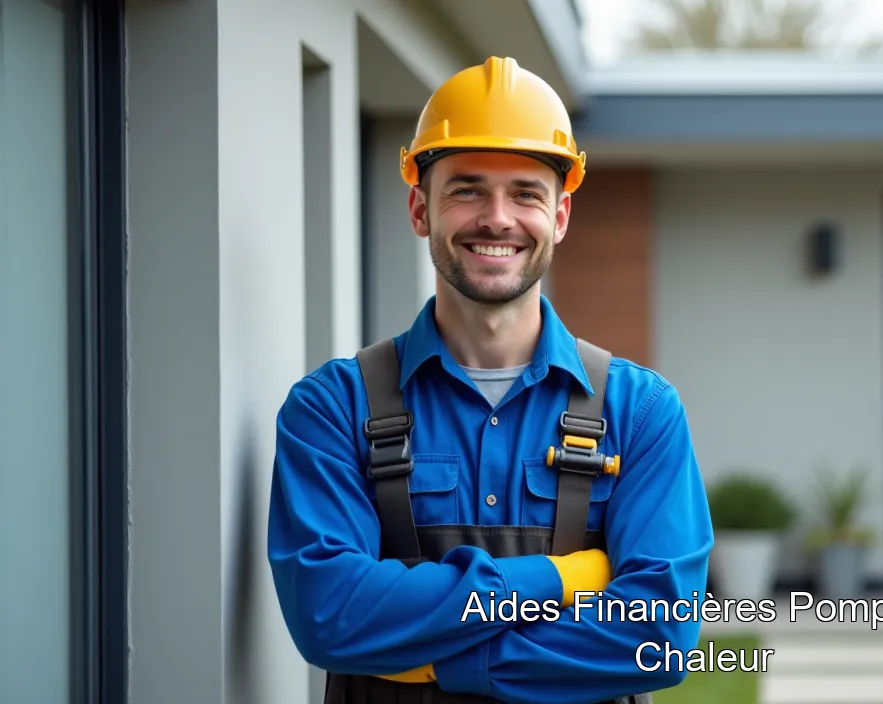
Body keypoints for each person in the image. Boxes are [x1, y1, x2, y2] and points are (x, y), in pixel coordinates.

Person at [267, 56, 713, 704]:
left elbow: (658, 634)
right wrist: (563, 579)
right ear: (421, 209)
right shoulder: (333, 409)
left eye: (526, 193)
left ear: (559, 217)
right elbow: (331, 616)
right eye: (467, 189)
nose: (497, 219)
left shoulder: (639, 412)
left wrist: (442, 661)